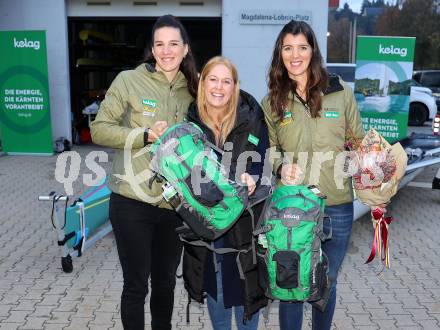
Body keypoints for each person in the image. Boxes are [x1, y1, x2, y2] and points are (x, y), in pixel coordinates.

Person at [90, 15, 198, 330]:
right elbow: (99, 129)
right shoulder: (128, 80)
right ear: (152, 48)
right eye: (159, 44)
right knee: (136, 285)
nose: (166, 51)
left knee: (165, 284)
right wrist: (144, 135)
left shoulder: (192, 89)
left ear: (185, 48)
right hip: (131, 202)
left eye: (173, 44)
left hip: (174, 206)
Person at [261, 20, 364, 330]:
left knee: (326, 282)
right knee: (291, 284)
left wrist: (368, 164)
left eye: (302, 48)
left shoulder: (340, 92)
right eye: (288, 48)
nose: (295, 55)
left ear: (313, 51)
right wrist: (280, 166)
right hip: (292, 207)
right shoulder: (273, 101)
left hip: (336, 204)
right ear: (280, 53)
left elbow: (358, 141)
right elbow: (269, 150)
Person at [182, 56, 269, 330]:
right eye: (213, 79)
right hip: (208, 222)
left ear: (234, 86)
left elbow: (261, 160)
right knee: (215, 288)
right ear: (202, 83)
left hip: (244, 221)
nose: (219, 87)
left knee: (246, 287)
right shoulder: (190, 119)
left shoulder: (251, 115)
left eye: (226, 81)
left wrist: (251, 176)